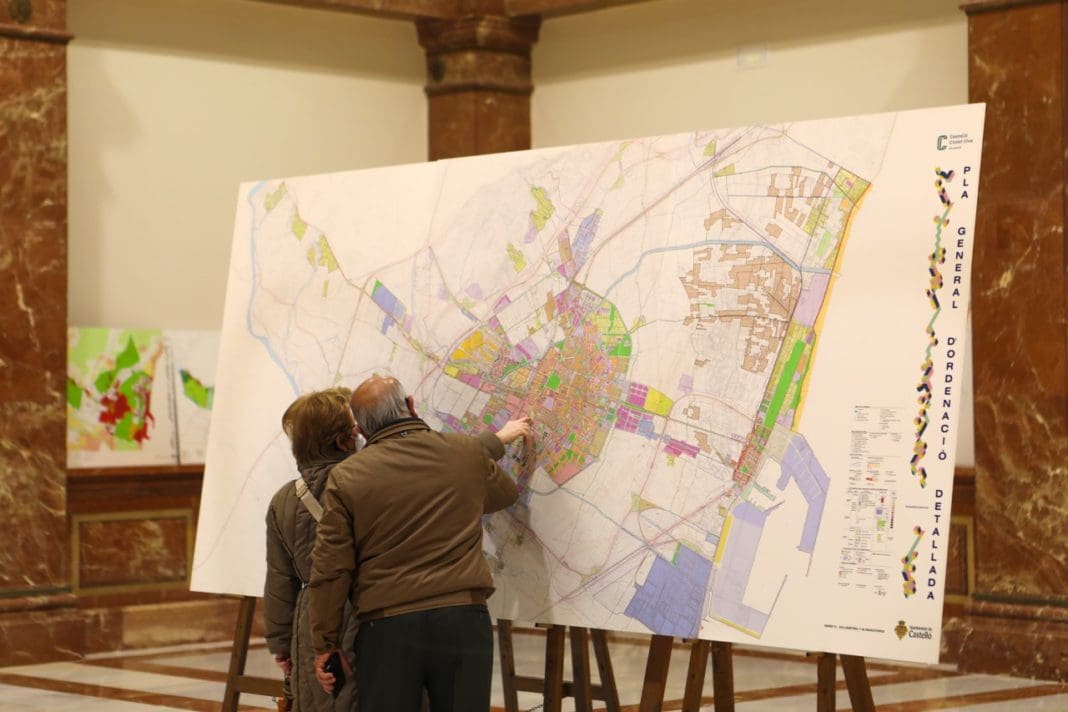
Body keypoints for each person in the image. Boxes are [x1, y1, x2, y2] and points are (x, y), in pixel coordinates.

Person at [307, 374, 531, 712]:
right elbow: (504, 494)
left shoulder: (346, 477)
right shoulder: (465, 452)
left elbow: (330, 568)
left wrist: (325, 642)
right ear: (410, 405)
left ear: (361, 430)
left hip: (386, 629)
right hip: (463, 620)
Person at [264, 387, 360, 711]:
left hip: (310, 624)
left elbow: (280, 580)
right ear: (342, 441)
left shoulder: (283, 501)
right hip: (366, 612)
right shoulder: (367, 483)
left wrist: (281, 644)